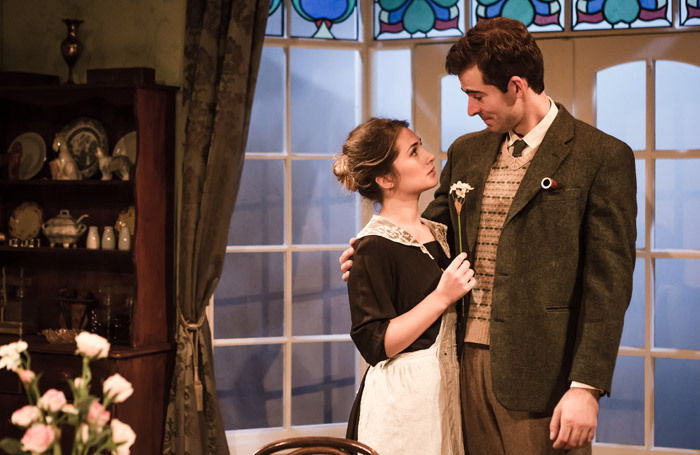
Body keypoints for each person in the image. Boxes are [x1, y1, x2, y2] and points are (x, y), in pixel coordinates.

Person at [340, 18, 637, 455]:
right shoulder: (468, 152)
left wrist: (586, 387)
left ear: (516, 86)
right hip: (458, 368)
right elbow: (429, 234)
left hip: (543, 374)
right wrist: (370, 251)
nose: (471, 109)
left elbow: (608, 286)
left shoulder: (601, 156)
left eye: (477, 95)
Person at [334, 117, 477, 455]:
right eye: (414, 152)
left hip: (443, 393)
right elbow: (375, 342)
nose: (429, 156)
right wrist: (441, 297)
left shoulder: (440, 232)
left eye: (421, 146)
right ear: (385, 178)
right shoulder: (372, 245)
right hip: (403, 406)